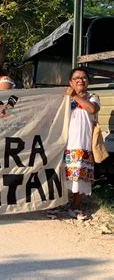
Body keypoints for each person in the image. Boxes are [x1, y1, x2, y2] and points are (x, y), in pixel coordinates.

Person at [64, 68, 100, 220]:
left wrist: (74, 96)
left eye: (84, 77)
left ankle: (75, 206)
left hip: (83, 143)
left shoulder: (93, 97)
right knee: (62, 175)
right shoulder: (64, 98)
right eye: (76, 78)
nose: (80, 80)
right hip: (65, 142)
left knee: (80, 174)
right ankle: (58, 205)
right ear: (70, 82)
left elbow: (92, 109)